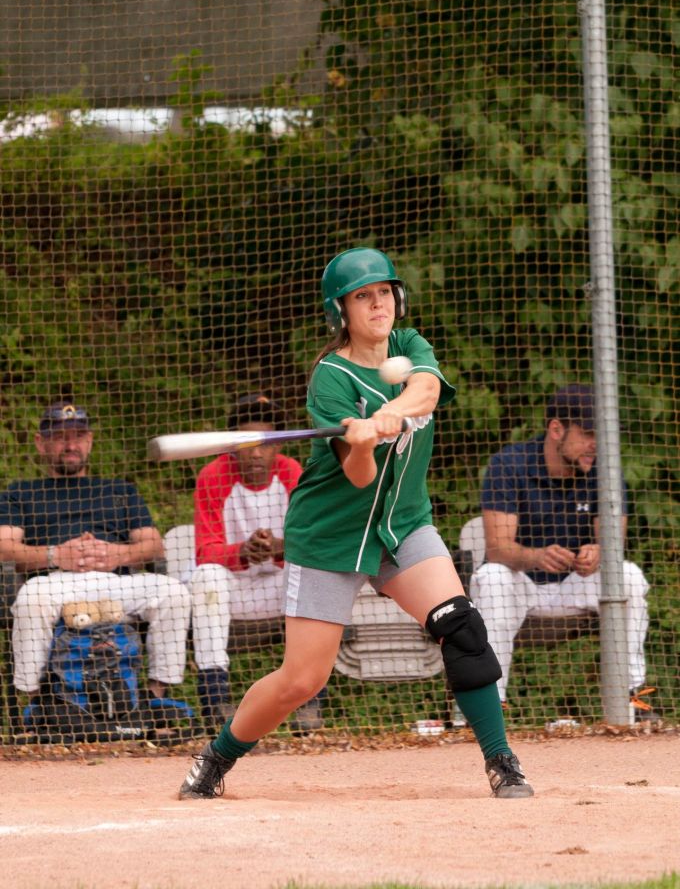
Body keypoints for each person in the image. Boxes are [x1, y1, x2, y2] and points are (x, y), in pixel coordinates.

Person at [178, 247, 534, 800]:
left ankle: (501, 760)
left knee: (461, 625)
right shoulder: (331, 377)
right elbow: (359, 476)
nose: (377, 304)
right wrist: (362, 440)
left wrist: (393, 412)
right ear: (340, 310)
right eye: (362, 297)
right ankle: (216, 757)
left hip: (403, 524)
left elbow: (427, 390)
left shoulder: (410, 346)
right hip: (332, 535)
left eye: (384, 292)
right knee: (302, 680)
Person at [470, 384, 656, 721]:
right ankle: (488, 708)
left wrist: (600, 552)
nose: (596, 444)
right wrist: (536, 556)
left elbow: (613, 540)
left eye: (602, 435)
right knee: (491, 577)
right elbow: (497, 548)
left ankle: (632, 700)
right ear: (556, 429)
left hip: (575, 584)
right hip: (520, 586)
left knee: (628, 575)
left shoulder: (605, 469)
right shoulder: (509, 464)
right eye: (588, 433)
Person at [0, 401, 191, 710]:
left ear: (89, 440)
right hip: (55, 583)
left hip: (116, 581)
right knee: (29, 600)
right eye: (60, 437)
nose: (70, 445)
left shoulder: (119, 490)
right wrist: (56, 554)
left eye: (78, 436)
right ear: (40, 442)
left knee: (174, 593)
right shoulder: (20, 492)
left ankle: (155, 699)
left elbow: (154, 546)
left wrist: (118, 554)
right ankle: (38, 704)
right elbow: (5, 548)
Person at [190, 391, 325, 731]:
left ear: (277, 445)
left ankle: (308, 700)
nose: (256, 453)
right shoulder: (213, 475)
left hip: (280, 588)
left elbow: (312, 541)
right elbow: (205, 551)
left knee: (310, 569)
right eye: (247, 442)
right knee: (206, 576)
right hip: (232, 590)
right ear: (233, 445)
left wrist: (278, 547)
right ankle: (215, 699)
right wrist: (242, 552)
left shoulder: (292, 472)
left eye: (265, 443)